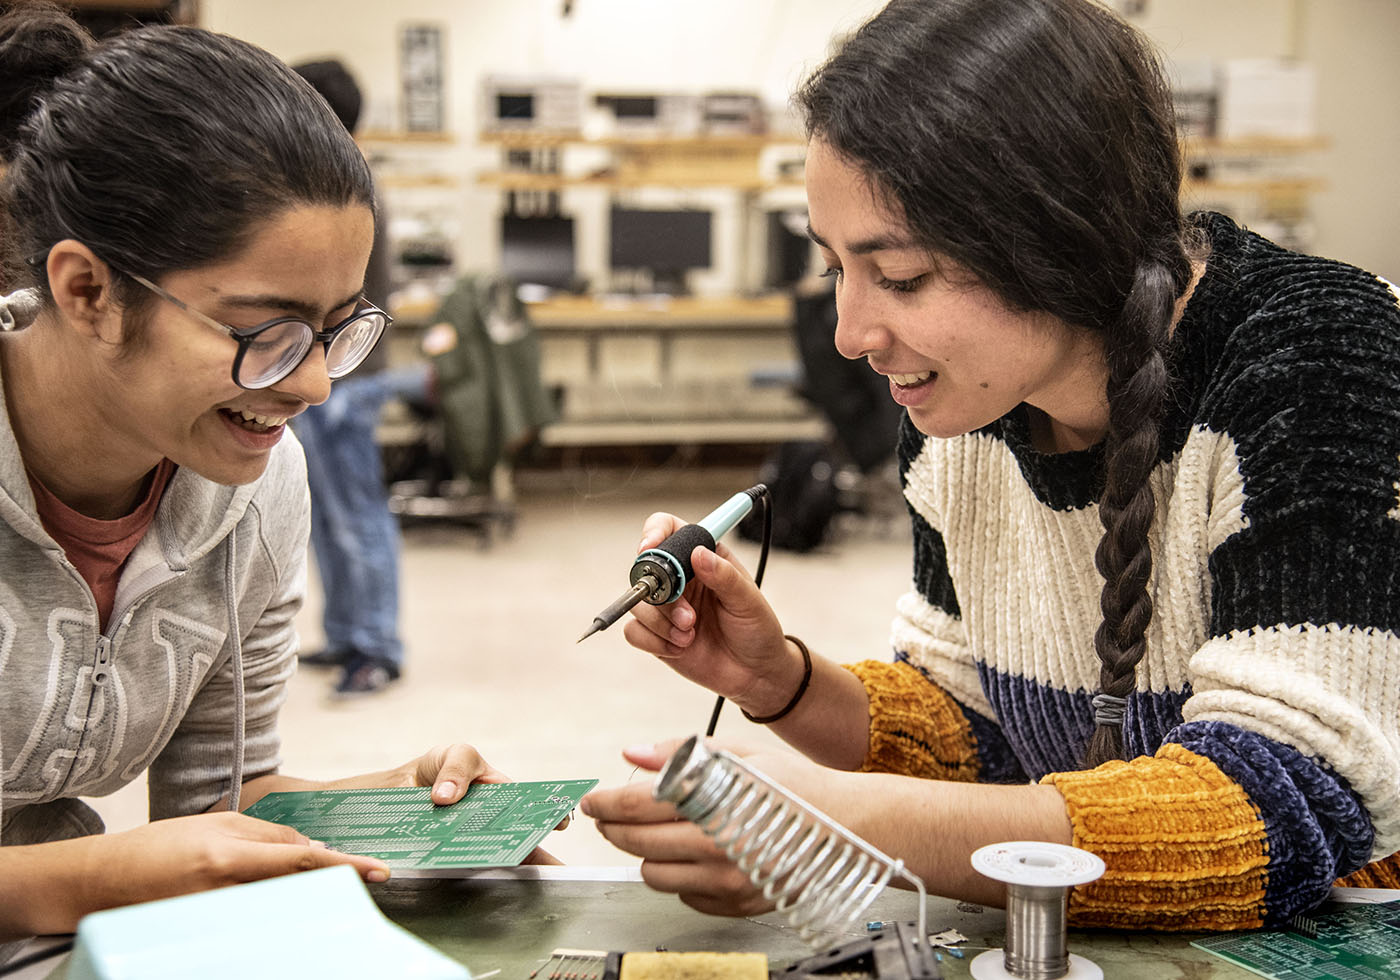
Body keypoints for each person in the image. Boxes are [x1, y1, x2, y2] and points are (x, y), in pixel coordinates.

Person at [581, 0, 1400, 932]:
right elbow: (975, 734)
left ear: (1058, 239)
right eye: (834, 269)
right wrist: (784, 682)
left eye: (901, 278)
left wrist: (849, 826)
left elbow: (1285, 818)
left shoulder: (1323, 356)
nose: (852, 333)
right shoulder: (962, 411)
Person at [0, 5, 545, 952]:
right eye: (266, 332)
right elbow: (157, 862)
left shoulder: (255, 488)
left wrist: (397, 809)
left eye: (339, 327)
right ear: (88, 291)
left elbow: (221, 802)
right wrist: (100, 877)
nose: (316, 384)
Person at [288, 58, 430, 697]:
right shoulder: (326, 181)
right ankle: (346, 633)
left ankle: (377, 647)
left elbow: (358, 304)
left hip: (350, 377)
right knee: (323, 516)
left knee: (357, 513)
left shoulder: (352, 187)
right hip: (325, 372)